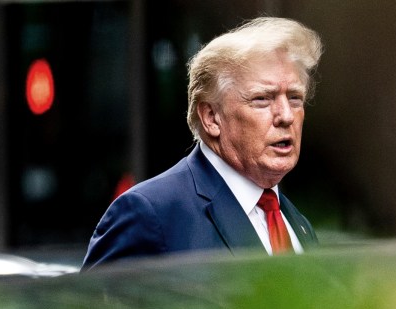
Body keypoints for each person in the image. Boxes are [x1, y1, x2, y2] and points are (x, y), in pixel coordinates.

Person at [81, 17, 323, 270]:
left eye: (295, 98)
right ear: (211, 118)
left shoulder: (297, 222)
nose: (286, 115)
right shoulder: (150, 213)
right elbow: (88, 308)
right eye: (262, 99)